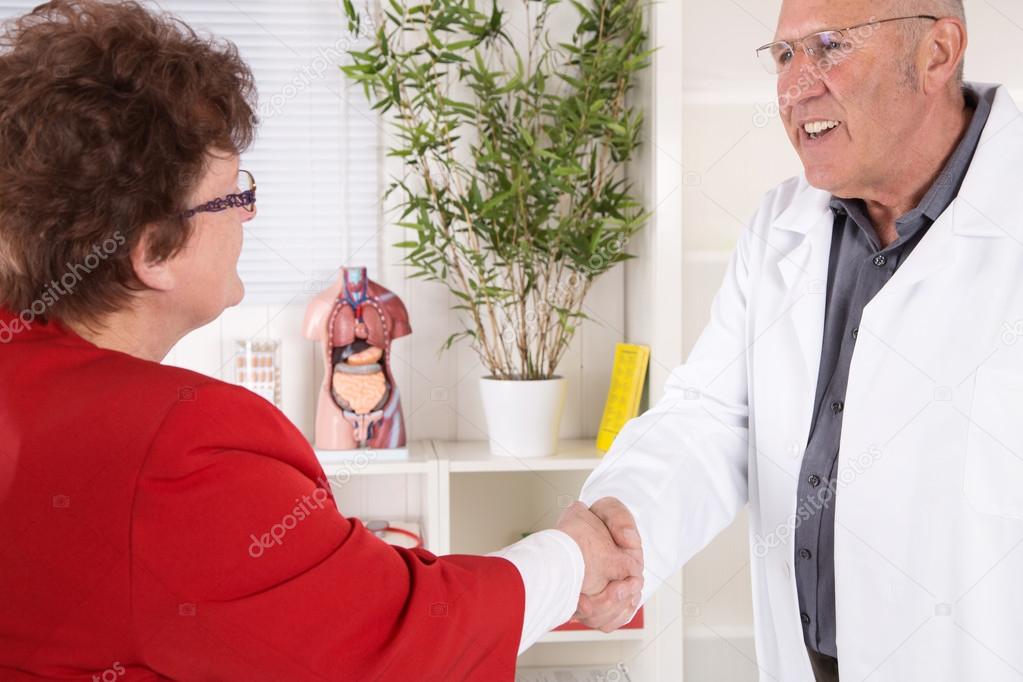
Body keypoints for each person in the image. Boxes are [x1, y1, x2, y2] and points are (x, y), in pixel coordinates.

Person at [0, 1, 640, 679]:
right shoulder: (178, 447)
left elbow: (316, 597)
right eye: (230, 198)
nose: (247, 216)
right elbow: (390, 645)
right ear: (153, 251)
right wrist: (570, 557)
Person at [572, 1, 1023, 680]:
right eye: (783, 55)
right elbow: (710, 419)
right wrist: (619, 525)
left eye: (830, 47)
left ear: (936, 53)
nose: (793, 86)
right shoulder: (781, 225)